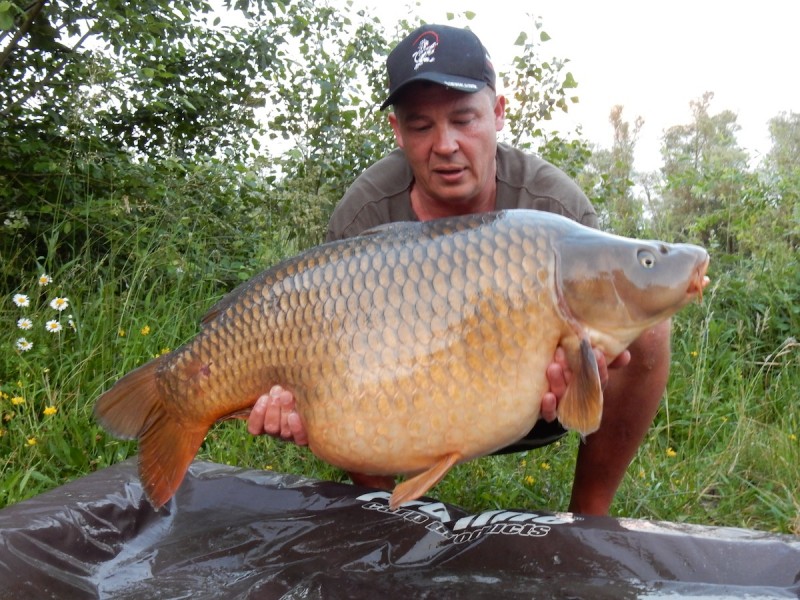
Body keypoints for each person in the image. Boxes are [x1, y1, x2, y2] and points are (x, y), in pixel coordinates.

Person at [246, 24, 671, 516]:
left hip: (528, 404)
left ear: (498, 113)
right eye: (421, 126)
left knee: (652, 329)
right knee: (331, 384)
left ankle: (590, 513)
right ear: (397, 131)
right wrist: (299, 402)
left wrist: (583, 367)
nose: (444, 144)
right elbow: (331, 348)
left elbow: (600, 331)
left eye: (464, 119)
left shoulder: (553, 205)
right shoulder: (365, 212)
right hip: (403, 406)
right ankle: (383, 513)